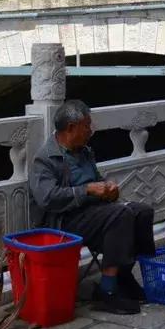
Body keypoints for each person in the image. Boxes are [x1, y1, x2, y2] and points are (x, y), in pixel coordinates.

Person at [29, 100, 155, 315]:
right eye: (87, 126)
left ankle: (124, 276)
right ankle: (107, 291)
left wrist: (108, 189)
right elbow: (47, 198)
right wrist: (86, 190)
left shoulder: (84, 152)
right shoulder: (45, 159)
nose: (91, 130)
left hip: (94, 213)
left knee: (142, 212)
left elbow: (96, 180)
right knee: (120, 214)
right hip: (65, 221)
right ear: (71, 128)